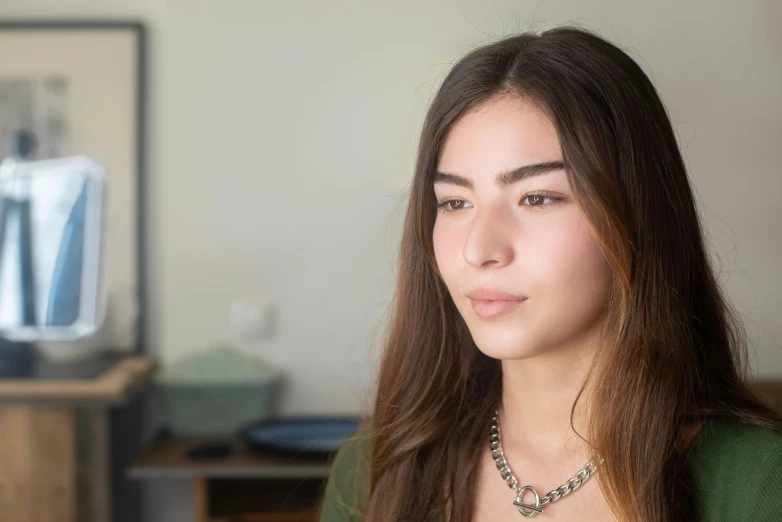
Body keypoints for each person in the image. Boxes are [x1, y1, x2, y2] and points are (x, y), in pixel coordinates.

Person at [318, 25, 782, 522]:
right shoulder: (375, 471)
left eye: (537, 198)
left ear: (635, 215)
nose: (479, 248)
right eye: (454, 202)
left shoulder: (757, 483)